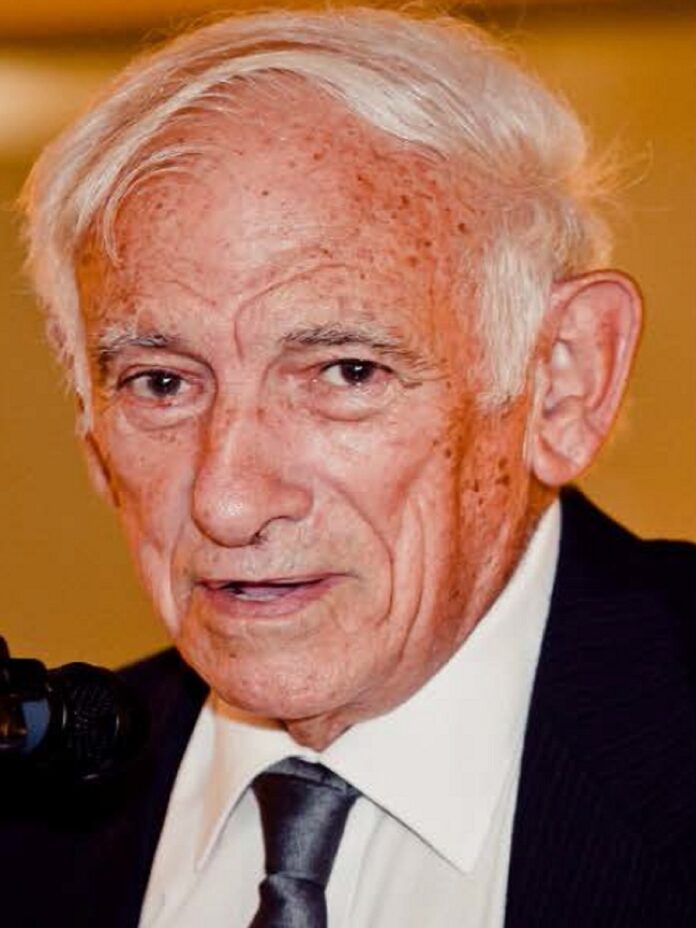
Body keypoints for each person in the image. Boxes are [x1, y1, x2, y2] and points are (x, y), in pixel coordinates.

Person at [3, 6, 695, 927]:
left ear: (562, 382)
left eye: (346, 372)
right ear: (92, 434)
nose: (228, 502)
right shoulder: (26, 815)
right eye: (161, 383)